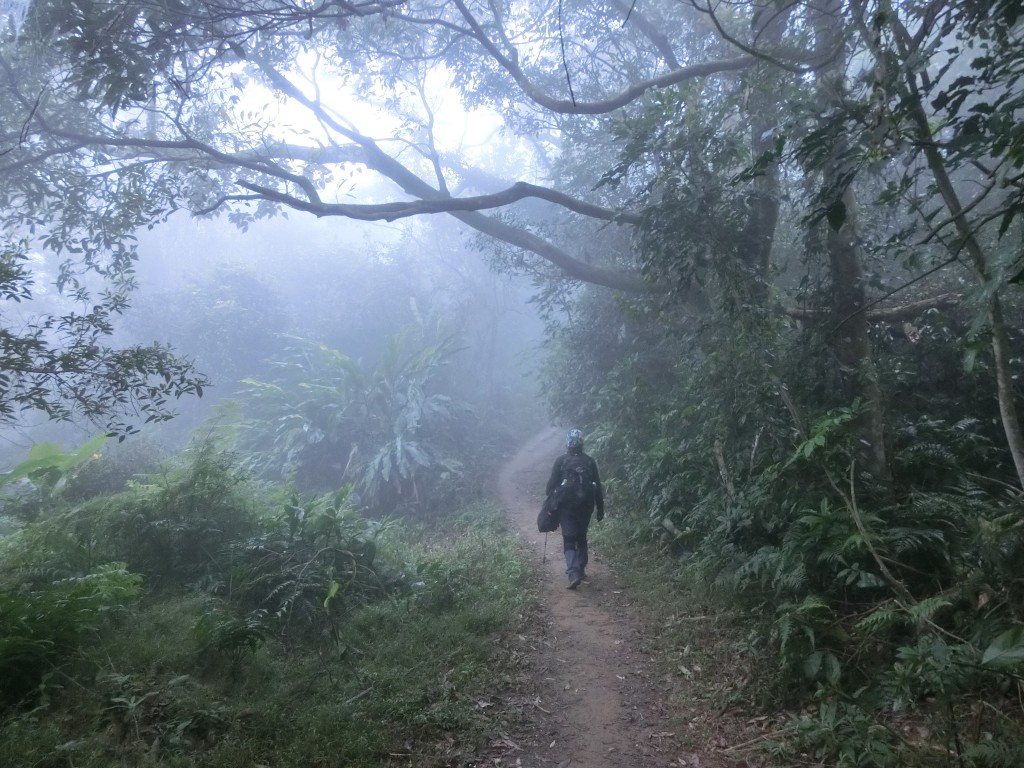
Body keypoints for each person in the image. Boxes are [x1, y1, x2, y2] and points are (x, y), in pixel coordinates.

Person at [545, 428, 604, 589]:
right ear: (582, 442)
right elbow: (597, 486)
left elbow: (550, 485)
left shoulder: (561, 461)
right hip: (586, 506)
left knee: (569, 537)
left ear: (568, 443)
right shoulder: (590, 461)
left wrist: (551, 499)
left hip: (566, 506)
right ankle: (581, 568)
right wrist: (600, 508)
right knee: (581, 535)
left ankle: (573, 572)